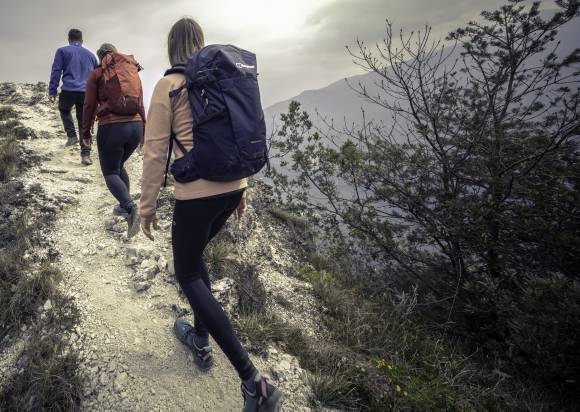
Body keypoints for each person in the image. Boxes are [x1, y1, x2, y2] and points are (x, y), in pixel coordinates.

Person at [140, 17, 283, 412]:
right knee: (195, 257)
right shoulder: (222, 82)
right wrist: (243, 190)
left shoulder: (168, 87)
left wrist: (147, 205)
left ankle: (254, 382)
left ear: (171, 47)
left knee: (185, 271)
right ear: (201, 45)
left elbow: (154, 153)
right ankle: (201, 339)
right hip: (233, 187)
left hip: (197, 195)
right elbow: (238, 133)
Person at [82, 43, 145, 238]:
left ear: (101, 57)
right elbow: (141, 101)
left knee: (109, 172)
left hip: (112, 127)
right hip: (135, 126)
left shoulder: (97, 73)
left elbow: (89, 105)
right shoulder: (131, 70)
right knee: (119, 166)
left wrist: (85, 132)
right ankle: (122, 205)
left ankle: (130, 208)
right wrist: (144, 128)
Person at [49, 28, 98, 165]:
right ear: (82, 41)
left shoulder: (62, 51)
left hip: (69, 90)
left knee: (64, 109)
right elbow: (97, 77)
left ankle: (71, 135)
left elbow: (56, 70)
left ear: (69, 39)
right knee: (84, 123)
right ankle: (85, 155)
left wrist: (52, 91)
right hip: (86, 93)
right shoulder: (91, 55)